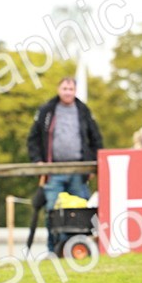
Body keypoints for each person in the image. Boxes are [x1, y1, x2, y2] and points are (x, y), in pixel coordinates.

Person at [26, 76, 104, 251]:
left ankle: (79, 247)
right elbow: (33, 138)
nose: (68, 92)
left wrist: (93, 164)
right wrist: (38, 161)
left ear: (75, 91)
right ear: (58, 90)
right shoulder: (47, 111)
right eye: (65, 89)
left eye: (71, 89)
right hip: (53, 171)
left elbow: (96, 139)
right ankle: (54, 249)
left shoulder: (83, 111)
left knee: (82, 210)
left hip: (79, 171)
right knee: (53, 211)